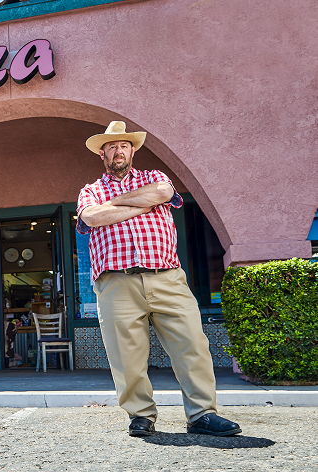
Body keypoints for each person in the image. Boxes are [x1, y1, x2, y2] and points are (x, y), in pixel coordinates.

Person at [76, 121, 241, 437]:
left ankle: (202, 414)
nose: (118, 150)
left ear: (132, 150)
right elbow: (93, 217)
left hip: (167, 276)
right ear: (102, 153)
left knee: (192, 344)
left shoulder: (155, 178)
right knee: (127, 357)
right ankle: (140, 415)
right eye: (112, 146)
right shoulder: (91, 191)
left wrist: (117, 205)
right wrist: (142, 203)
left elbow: (164, 192)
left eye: (124, 145)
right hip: (116, 282)